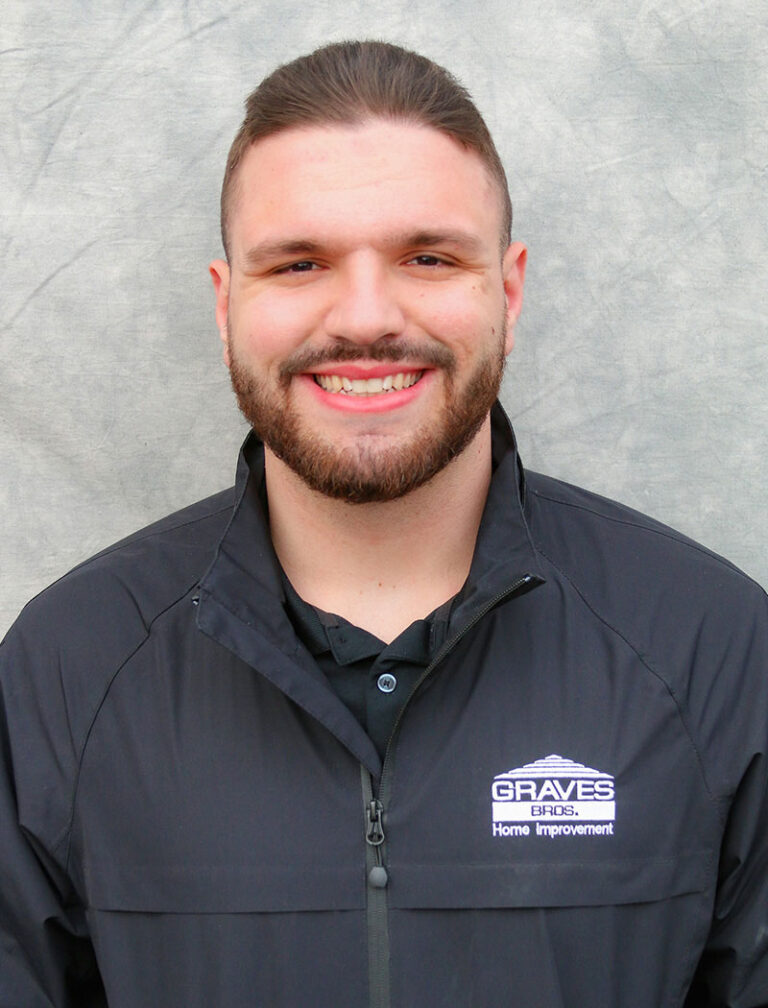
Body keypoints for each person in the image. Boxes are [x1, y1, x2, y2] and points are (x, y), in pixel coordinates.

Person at [1, 39, 766, 1008]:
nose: (364, 316)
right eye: (299, 263)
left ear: (509, 290)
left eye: (428, 256)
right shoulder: (64, 677)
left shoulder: (717, 660)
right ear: (227, 302)